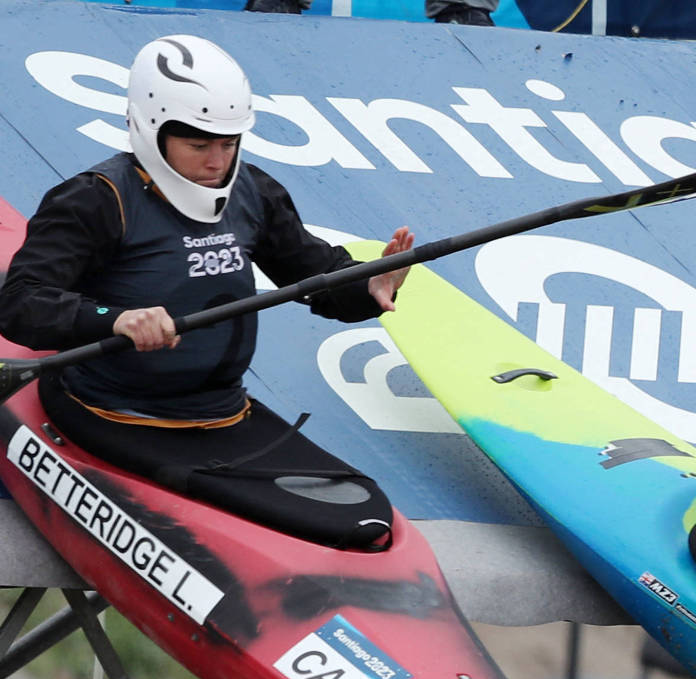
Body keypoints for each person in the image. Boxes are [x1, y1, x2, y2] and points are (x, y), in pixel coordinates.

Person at [0, 35, 415, 550]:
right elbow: (20, 302)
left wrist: (366, 286)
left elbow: (317, 277)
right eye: (200, 145)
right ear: (152, 131)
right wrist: (115, 319)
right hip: (112, 412)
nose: (218, 161)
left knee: (364, 515)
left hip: (223, 414)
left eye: (229, 143)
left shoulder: (253, 192)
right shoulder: (95, 200)